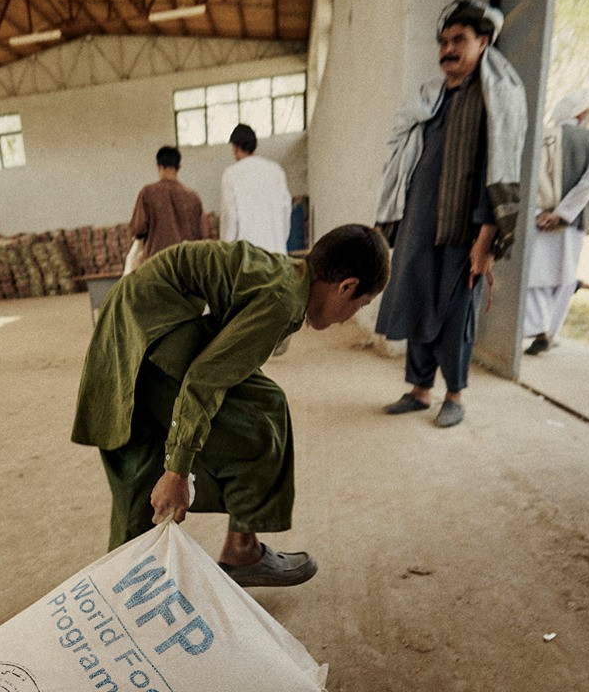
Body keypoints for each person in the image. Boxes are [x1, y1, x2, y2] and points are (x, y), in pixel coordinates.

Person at [72, 225, 390, 587]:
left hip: (138, 320)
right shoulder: (283, 299)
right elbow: (205, 379)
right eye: (358, 306)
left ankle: (128, 582)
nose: (347, 318)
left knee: (144, 462)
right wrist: (177, 470)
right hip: (150, 327)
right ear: (346, 286)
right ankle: (238, 551)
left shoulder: (285, 276)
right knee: (262, 415)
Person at [373, 0, 527, 428]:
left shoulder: (493, 100)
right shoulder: (430, 99)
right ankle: (420, 390)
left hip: (465, 228)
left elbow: (496, 170)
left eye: (459, 40)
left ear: (484, 42)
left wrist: (486, 237)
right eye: (443, 41)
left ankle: (455, 395)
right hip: (419, 223)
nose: (447, 49)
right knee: (419, 303)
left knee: (456, 315)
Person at [523, 89, 589, 356]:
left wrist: (538, 212)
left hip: (538, 219)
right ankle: (549, 331)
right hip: (571, 220)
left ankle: (539, 330)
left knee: (536, 275)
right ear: (581, 113)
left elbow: (529, 177)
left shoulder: (540, 135)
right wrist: (562, 213)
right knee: (566, 276)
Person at [220, 123, 294, 255]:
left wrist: (226, 251)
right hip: (276, 254)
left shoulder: (230, 174)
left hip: (246, 257)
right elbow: (286, 210)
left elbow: (230, 217)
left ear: (236, 147)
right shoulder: (275, 170)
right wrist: (280, 241)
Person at [127, 146, 207, 267]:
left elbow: (138, 229)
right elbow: (203, 235)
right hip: (186, 266)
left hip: (156, 266)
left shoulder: (147, 193)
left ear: (159, 166)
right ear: (179, 167)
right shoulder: (193, 197)